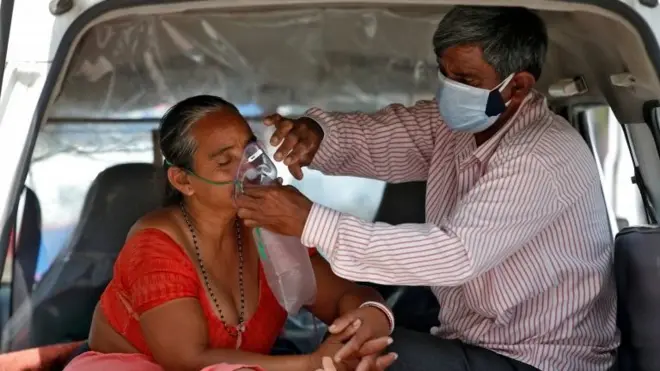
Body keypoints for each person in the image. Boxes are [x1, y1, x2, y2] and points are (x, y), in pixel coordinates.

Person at [234, 6, 618, 371]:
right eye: (445, 74)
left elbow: (455, 254)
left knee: (371, 355)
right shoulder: (457, 128)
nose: (449, 90)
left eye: (466, 80)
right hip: (474, 338)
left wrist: (311, 222)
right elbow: (377, 139)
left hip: (540, 358)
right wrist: (317, 136)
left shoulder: (541, 154)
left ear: (517, 86)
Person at [64, 95, 398, 371]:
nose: (250, 170)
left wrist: (367, 321)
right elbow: (186, 360)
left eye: (251, 151)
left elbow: (345, 296)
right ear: (183, 181)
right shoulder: (155, 244)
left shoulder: (270, 228)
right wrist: (312, 363)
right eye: (226, 162)